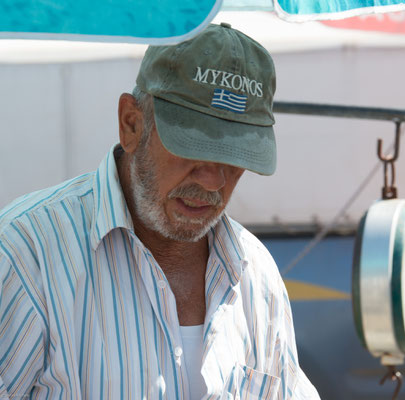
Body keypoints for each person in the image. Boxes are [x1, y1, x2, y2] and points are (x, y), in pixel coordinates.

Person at [0, 23, 320, 399]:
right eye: (195, 147)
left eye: (236, 159)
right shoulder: (24, 256)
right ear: (131, 124)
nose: (214, 181)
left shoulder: (256, 275)